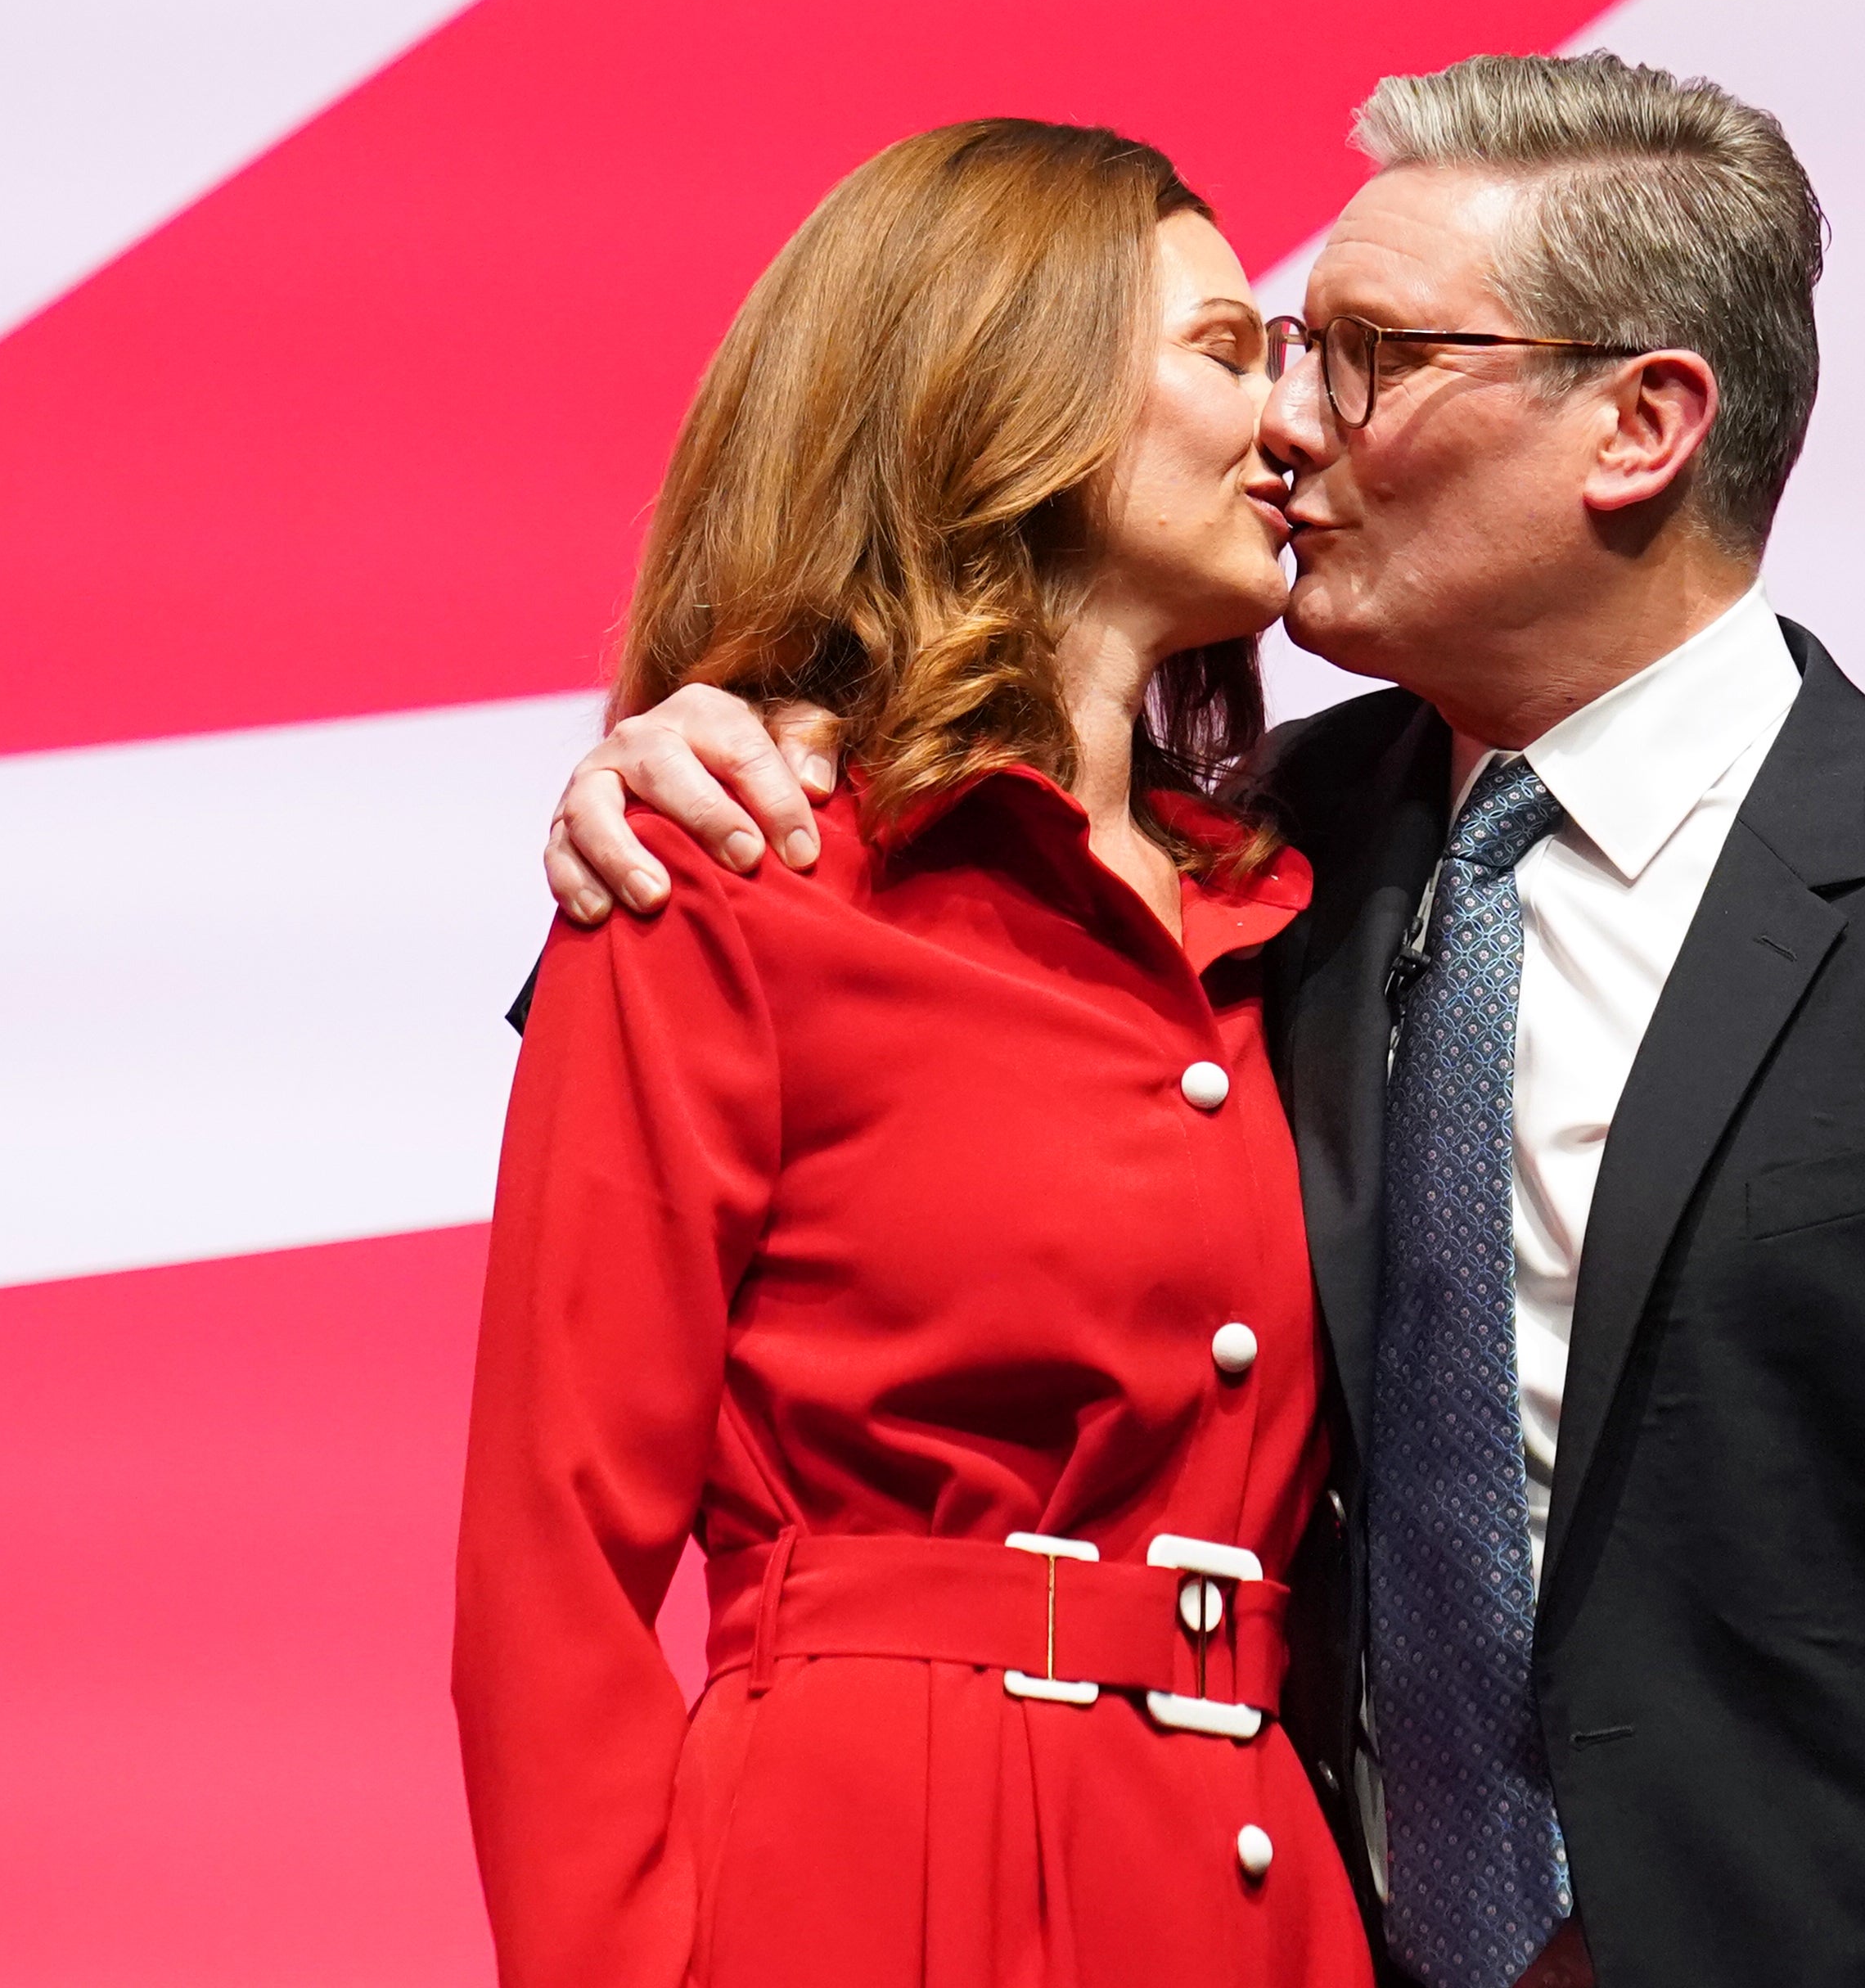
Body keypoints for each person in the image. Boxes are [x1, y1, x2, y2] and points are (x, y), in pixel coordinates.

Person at [535, 55, 1865, 1988]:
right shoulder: (1217, 873)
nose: (1285, 431)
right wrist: (688, 767)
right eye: (1280, 352)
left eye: (1368, 360)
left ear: (1637, 424)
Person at [453, 119, 1377, 1988]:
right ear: (998, 391)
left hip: (1257, 1895)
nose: (1294, 425)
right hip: (870, 1881)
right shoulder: (734, 876)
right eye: (1223, 351)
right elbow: (546, 1578)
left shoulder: (1304, 898)